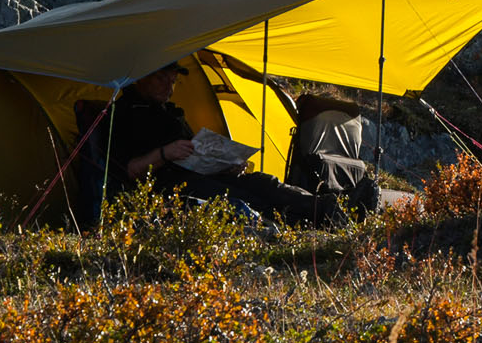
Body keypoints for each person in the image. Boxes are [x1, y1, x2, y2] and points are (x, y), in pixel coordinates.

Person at [69, 61, 343, 229]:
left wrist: (225, 163)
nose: (169, 86)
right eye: (162, 78)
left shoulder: (170, 113)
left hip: (202, 174)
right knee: (242, 200)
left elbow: (195, 150)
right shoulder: (123, 115)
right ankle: (296, 226)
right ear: (140, 78)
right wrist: (165, 154)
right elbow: (130, 170)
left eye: (173, 80)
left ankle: (330, 211)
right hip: (171, 186)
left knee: (264, 183)